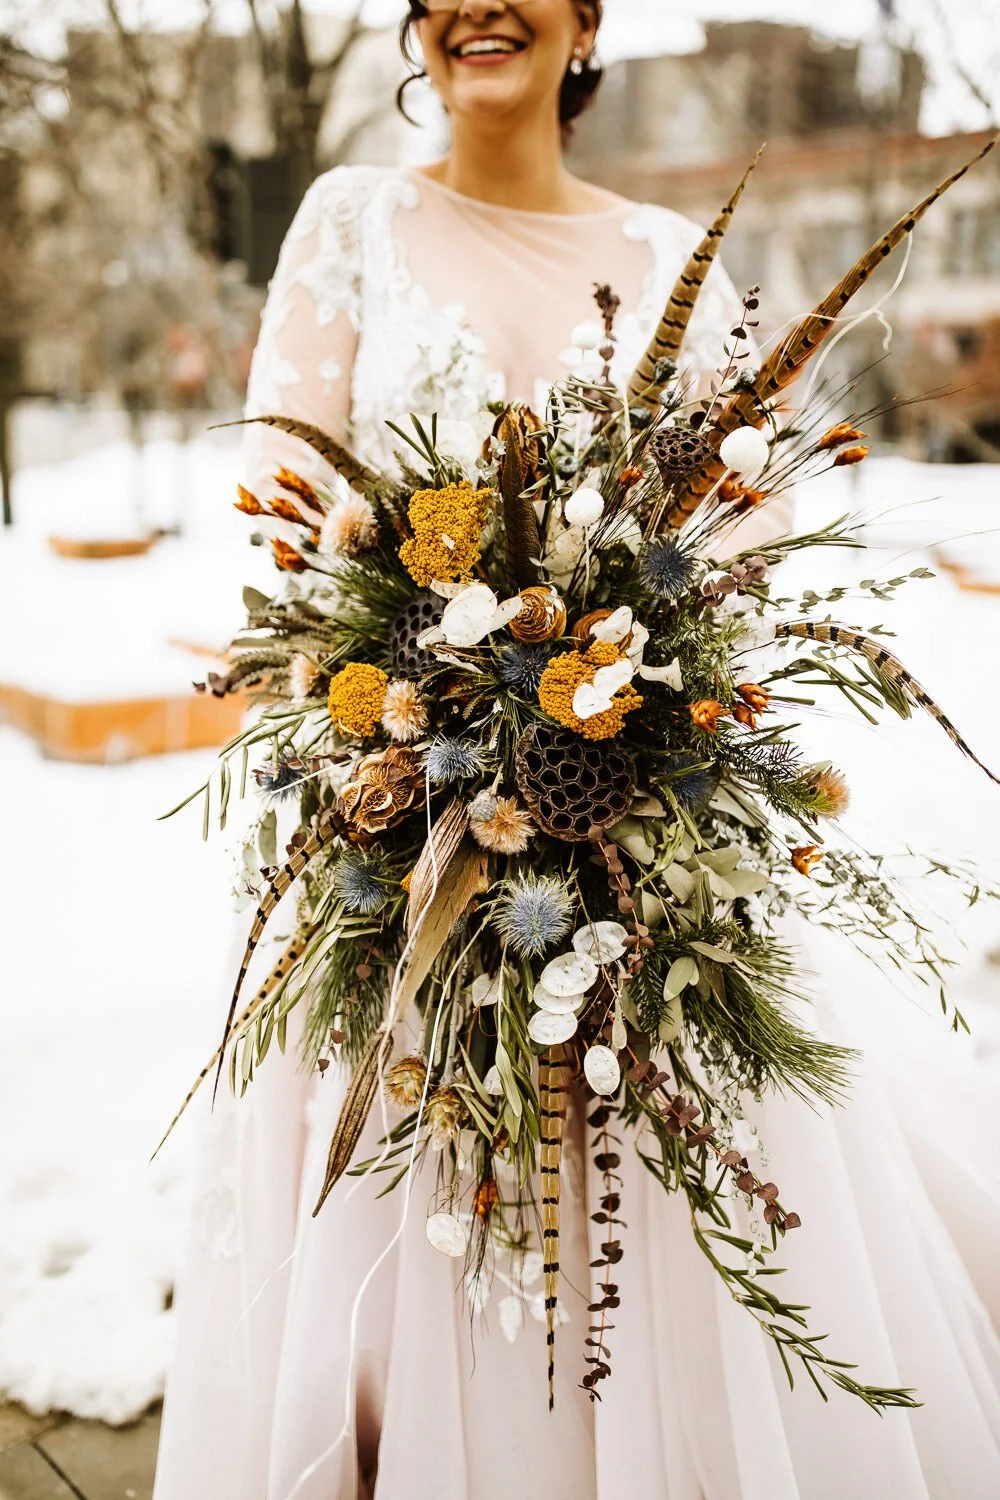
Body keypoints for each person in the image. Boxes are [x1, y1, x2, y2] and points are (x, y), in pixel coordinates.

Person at [153, 4, 1000, 1497]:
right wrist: (421, 720)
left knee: (667, 1224)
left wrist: (632, 704)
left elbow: (747, 547)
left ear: (589, 16)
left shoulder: (679, 254)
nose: (481, 4)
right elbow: (283, 525)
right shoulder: (350, 220)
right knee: (405, 1236)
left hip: (647, 843)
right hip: (392, 849)